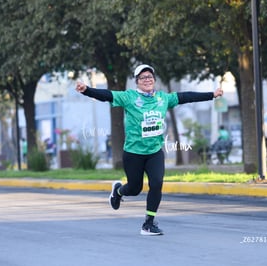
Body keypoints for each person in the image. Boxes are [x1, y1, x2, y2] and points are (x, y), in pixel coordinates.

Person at [76, 64, 223, 236]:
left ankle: (149, 223)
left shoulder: (162, 98)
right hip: (133, 153)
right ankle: (118, 191)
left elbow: (186, 97)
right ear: (137, 81)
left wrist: (211, 95)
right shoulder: (129, 97)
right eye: (143, 77)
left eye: (150, 77)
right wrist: (87, 90)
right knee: (134, 189)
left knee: (157, 183)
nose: (147, 80)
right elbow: (106, 95)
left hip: (154, 152)